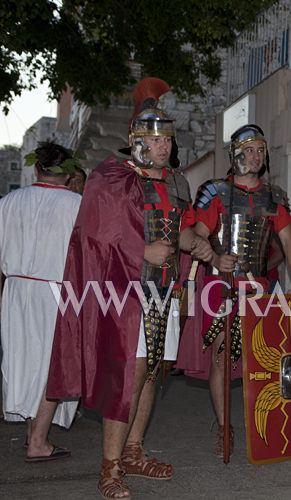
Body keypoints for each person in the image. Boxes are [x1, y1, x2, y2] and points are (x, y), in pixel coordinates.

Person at [47, 77, 213, 499]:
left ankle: (135, 452)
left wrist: (208, 249)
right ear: (136, 140)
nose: (164, 147)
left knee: (154, 370)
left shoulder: (177, 183)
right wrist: (142, 251)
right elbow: (94, 234)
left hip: (167, 292)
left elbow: (188, 231)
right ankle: (110, 465)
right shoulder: (111, 177)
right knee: (129, 375)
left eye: (167, 140)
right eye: (155, 140)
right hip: (126, 294)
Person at [189, 123, 291, 458]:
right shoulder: (215, 192)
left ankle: (262, 424)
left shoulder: (274, 197)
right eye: (249, 149)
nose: (255, 156)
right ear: (236, 154)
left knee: (263, 360)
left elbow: (289, 244)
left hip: (260, 289)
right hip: (221, 287)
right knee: (223, 358)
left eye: (260, 150)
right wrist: (214, 254)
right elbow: (197, 233)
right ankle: (225, 428)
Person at [0, 142, 82, 462]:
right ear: (69, 172)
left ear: (37, 169)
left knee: (25, 361)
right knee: (52, 364)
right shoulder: (77, 203)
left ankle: (33, 436)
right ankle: (38, 442)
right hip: (57, 291)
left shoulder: (8, 201)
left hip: (16, 291)